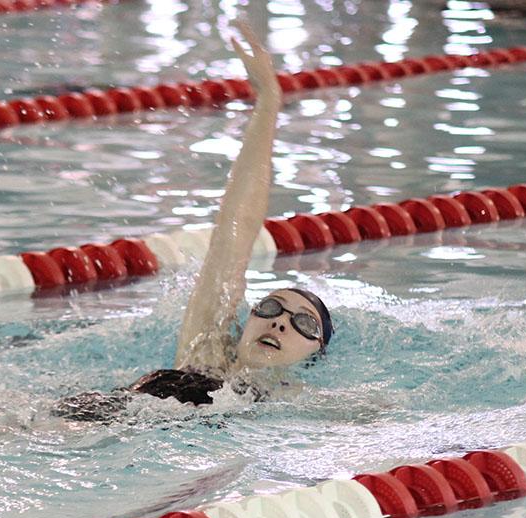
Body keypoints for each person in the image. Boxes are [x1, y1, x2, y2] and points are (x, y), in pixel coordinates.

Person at [54, 24, 333, 421]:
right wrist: (268, 101)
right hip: (75, 421)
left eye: (303, 324)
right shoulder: (206, 351)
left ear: (314, 356)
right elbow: (234, 235)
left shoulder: (297, 404)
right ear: (245, 323)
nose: (281, 323)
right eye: (271, 307)